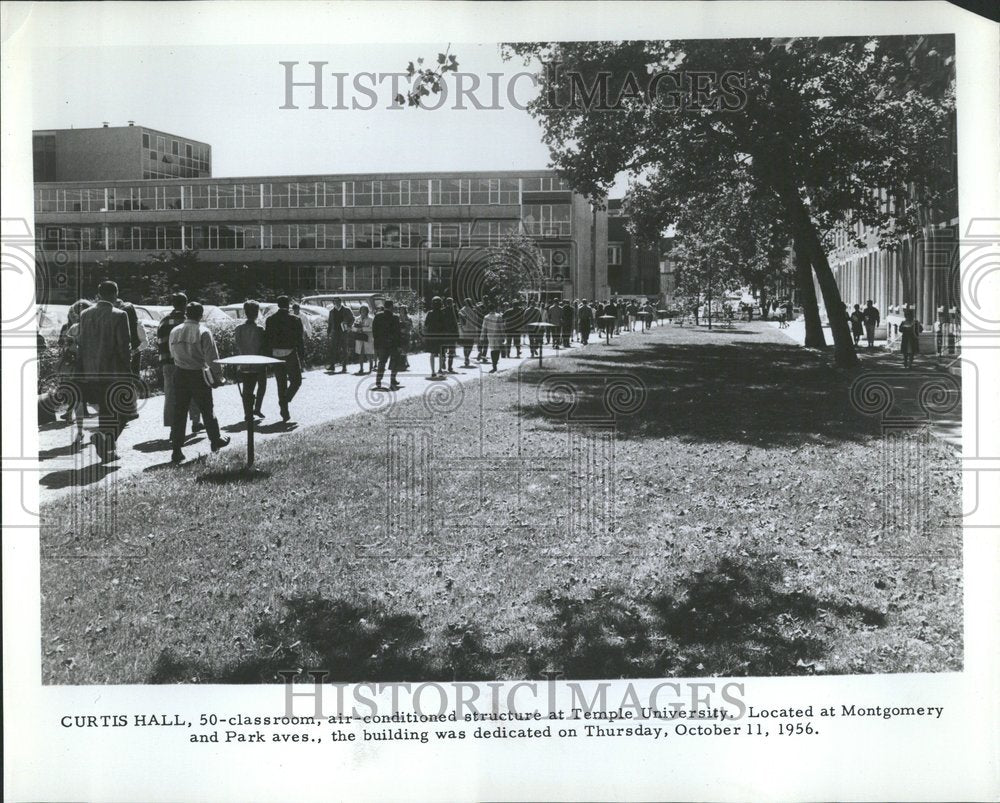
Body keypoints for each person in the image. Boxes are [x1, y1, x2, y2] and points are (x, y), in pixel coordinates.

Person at [168, 302, 231, 463]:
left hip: (179, 373)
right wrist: (218, 377)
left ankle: (176, 450)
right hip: (198, 374)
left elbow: (171, 352)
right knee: (207, 409)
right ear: (201, 315)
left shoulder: (174, 331)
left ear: (186, 314)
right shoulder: (203, 331)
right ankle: (215, 440)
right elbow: (212, 357)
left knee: (179, 411)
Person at [76, 281, 132, 463]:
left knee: (105, 412)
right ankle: (103, 440)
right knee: (125, 411)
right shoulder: (119, 315)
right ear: (115, 294)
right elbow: (124, 347)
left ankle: (107, 450)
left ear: (99, 294)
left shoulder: (85, 314)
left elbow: (82, 343)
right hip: (113, 372)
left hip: (91, 373)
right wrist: (128, 371)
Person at [157, 292, 203, 433]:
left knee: (171, 395)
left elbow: (160, 343)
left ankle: (173, 428)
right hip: (188, 363)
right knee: (194, 393)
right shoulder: (190, 322)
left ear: (172, 304)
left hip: (169, 363)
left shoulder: (164, 321)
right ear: (186, 304)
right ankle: (196, 422)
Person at [265, 295, 306, 422]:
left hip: (276, 354)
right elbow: (299, 340)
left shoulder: (270, 320)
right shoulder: (295, 319)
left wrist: (268, 357)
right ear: (288, 305)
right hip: (290, 353)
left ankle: (284, 409)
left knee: (280, 383)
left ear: (278, 305)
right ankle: (285, 399)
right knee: (296, 381)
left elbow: (268, 340)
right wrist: (302, 355)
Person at [56, 299, 92, 437]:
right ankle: (104, 431)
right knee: (100, 399)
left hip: (78, 368)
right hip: (97, 367)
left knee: (79, 400)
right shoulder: (99, 326)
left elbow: (66, 347)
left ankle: (80, 431)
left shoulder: (74, 328)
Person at [234, 300, 268, 419]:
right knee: (262, 386)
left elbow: (238, 345)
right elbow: (263, 346)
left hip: (244, 362)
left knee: (247, 388)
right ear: (256, 313)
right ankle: (257, 408)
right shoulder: (260, 329)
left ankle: (247, 412)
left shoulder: (239, 329)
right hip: (259, 362)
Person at [372, 299, 403, 390]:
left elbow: (374, 331)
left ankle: (378, 380)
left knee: (381, 362)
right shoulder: (395, 317)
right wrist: (399, 345)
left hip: (381, 343)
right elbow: (397, 333)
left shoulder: (378, 316)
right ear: (391, 307)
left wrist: (376, 343)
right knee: (394, 361)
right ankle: (392, 379)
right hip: (393, 343)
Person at [423, 296, 448, 378]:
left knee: (432, 354)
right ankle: (440, 369)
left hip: (432, 336)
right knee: (441, 353)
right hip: (441, 336)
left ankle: (433, 371)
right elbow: (445, 325)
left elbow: (426, 324)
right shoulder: (443, 313)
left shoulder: (430, 313)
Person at [327, 297, 354, 373]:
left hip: (344, 331)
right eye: (335, 302)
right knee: (333, 349)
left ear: (340, 302)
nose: (336, 303)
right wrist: (328, 332)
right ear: (333, 303)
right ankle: (332, 366)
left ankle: (344, 366)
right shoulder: (332, 311)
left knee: (344, 349)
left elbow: (352, 319)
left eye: (338, 301)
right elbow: (330, 322)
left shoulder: (346, 310)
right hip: (335, 331)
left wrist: (349, 326)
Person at [481, 303, 505, 373]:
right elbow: (501, 327)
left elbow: (484, 328)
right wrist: (503, 336)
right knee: (497, 350)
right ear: (495, 308)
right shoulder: (499, 316)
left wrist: (482, 337)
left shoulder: (486, 317)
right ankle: (495, 363)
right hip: (498, 335)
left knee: (492, 349)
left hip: (490, 335)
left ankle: (494, 365)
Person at [352, 304, 375, 374]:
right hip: (359, 337)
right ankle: (361, 368)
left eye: (364, 310)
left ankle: (371, 367)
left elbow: (371, 328)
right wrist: (357, 329)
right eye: (362, 310)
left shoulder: (370, 319)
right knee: (361, 353)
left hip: (368, 337)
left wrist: (363, 328)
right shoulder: (357, 319)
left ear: (367, 311)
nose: (363, 311)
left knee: (368, 353)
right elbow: (353, 327)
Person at [457, 298, 478, 367]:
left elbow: (460, 321)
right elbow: (476, 320)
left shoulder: (462, 310)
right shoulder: (474, 310)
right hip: (471, 329)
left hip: (464, 330)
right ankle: (467, 356)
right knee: (470, 344)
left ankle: (466, 357)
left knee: (465, 345)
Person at [442, 297, 459, 373]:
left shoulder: (443, 311)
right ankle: (450, 367)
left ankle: (443, 361)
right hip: (452, 333)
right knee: (451, 351)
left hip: (444, 333)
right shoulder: (455, 311)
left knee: (443, 350)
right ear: (452, 303)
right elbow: (457, 322)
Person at [397, 304, 412, 371]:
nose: (401, 311)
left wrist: (406, 328)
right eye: (400, 310)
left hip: (406, 335)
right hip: (399, 335)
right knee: (401, 349)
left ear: (405, 311)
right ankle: (404, 363)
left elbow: (411, 327)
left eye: (403, 310)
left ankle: (405, 363)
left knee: (405, 349)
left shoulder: (408, 318)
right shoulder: (397, 318)